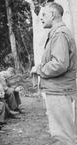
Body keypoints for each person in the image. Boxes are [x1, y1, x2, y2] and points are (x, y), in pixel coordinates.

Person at [31, 2, 77, 145]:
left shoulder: (59, 34)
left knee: (62, 137)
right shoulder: (58, 33)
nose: (41, 18)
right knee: (65, 134)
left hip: (59, 91)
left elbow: (59, 64)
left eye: (44, 14)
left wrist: (38, 69)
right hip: (60, 90)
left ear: (53, 14)